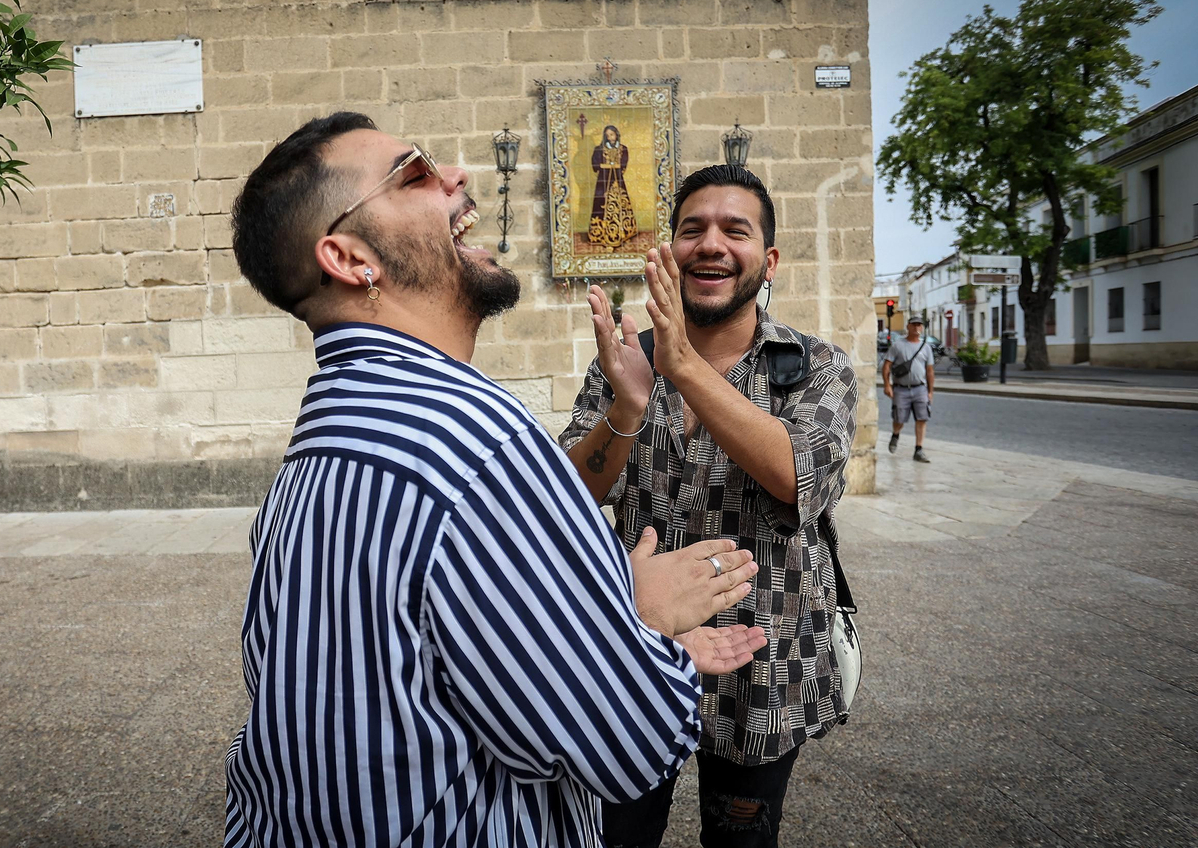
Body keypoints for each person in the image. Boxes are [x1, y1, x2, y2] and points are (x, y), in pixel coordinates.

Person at [223, 112, 769, 848]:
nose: (458, 176)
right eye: (414, 173)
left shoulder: (315, 449)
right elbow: (624, 740)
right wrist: (633, 623)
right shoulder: (475, 434)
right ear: (349, 257)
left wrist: (594, 619)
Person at [559, 165, 859, 848]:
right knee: (611, 836)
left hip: (764, 668)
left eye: (735, 229)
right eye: (692, 228)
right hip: (637, 653)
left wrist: (683, 364)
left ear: (769, 258)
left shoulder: (816, 366)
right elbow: (567, 501)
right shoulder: (621, 363)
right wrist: (627, 408)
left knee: (739, 841)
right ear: (669, 252)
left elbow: (799, 477)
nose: (711, 243)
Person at [883, 315, 934, 462]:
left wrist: (930, 391)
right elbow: (887, 366)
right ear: (908, 327)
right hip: (901, 389)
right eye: (914, 325)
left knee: (922, 418)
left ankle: (918, 449)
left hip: (920, 388)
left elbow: (929, 371)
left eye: (919, 325)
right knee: (899, 418)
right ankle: (896, 434)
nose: (917, 327)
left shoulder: (926, 348)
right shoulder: (898, 345)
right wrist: (887, 385)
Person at [588, 125, 637, 248]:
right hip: (603, 182)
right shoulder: (599, 149)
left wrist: (616, 165)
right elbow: (594, 165)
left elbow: (623, 164)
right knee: (601, 204)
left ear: (616, 135)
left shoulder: (623, 149)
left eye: (612, 134)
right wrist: (604, 165)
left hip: (617, 180)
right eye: (608, 135)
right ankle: (599, 234)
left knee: (621, 204)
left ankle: (624, 232)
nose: (610, 137)